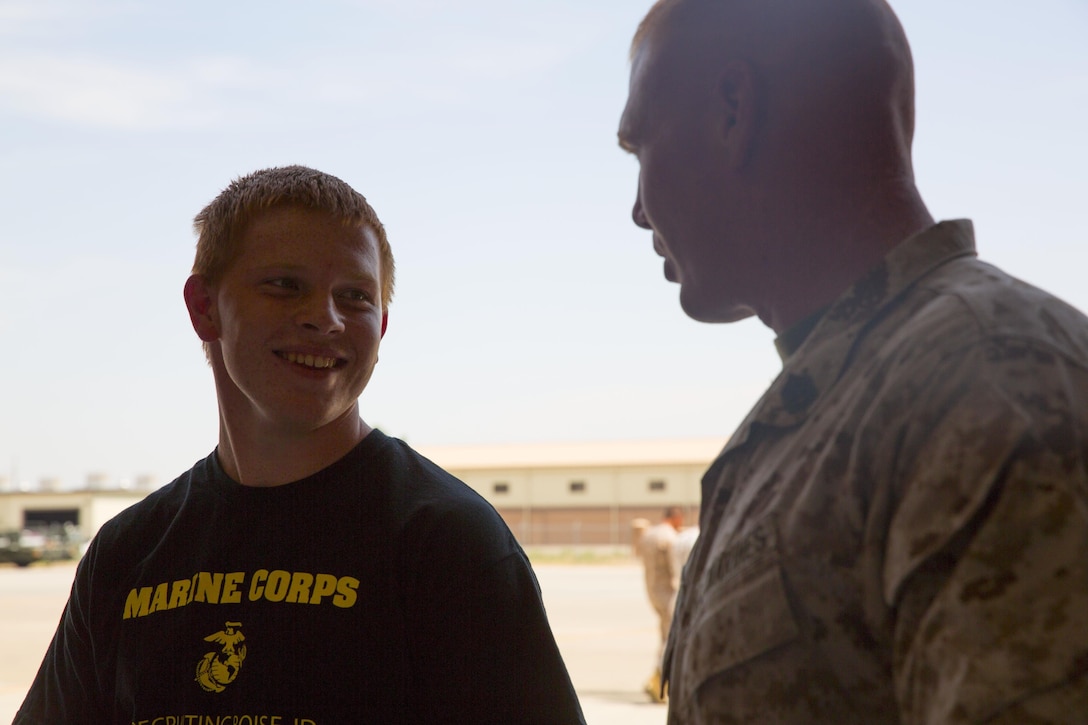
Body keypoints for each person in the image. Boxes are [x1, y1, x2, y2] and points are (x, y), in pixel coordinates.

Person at [618, 1, 1088, 722]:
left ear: (732, 111)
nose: (639, 211)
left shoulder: (988, 377)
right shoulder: (846, 399)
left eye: (641, 146)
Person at [15, 165, 586, 724]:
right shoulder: (129, 553)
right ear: (203, 307)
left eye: (356, 297)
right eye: (286, 286)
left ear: (382, 327)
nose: (325, 318)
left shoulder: (447, 544)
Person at [638, 506, 684, 703]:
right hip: (668, 592)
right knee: (669, 638)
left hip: (652, 591)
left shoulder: (648, 535)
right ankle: (657, 682)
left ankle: (658, 680)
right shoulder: (670, 538)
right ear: (676, 518)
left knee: (665, 634)